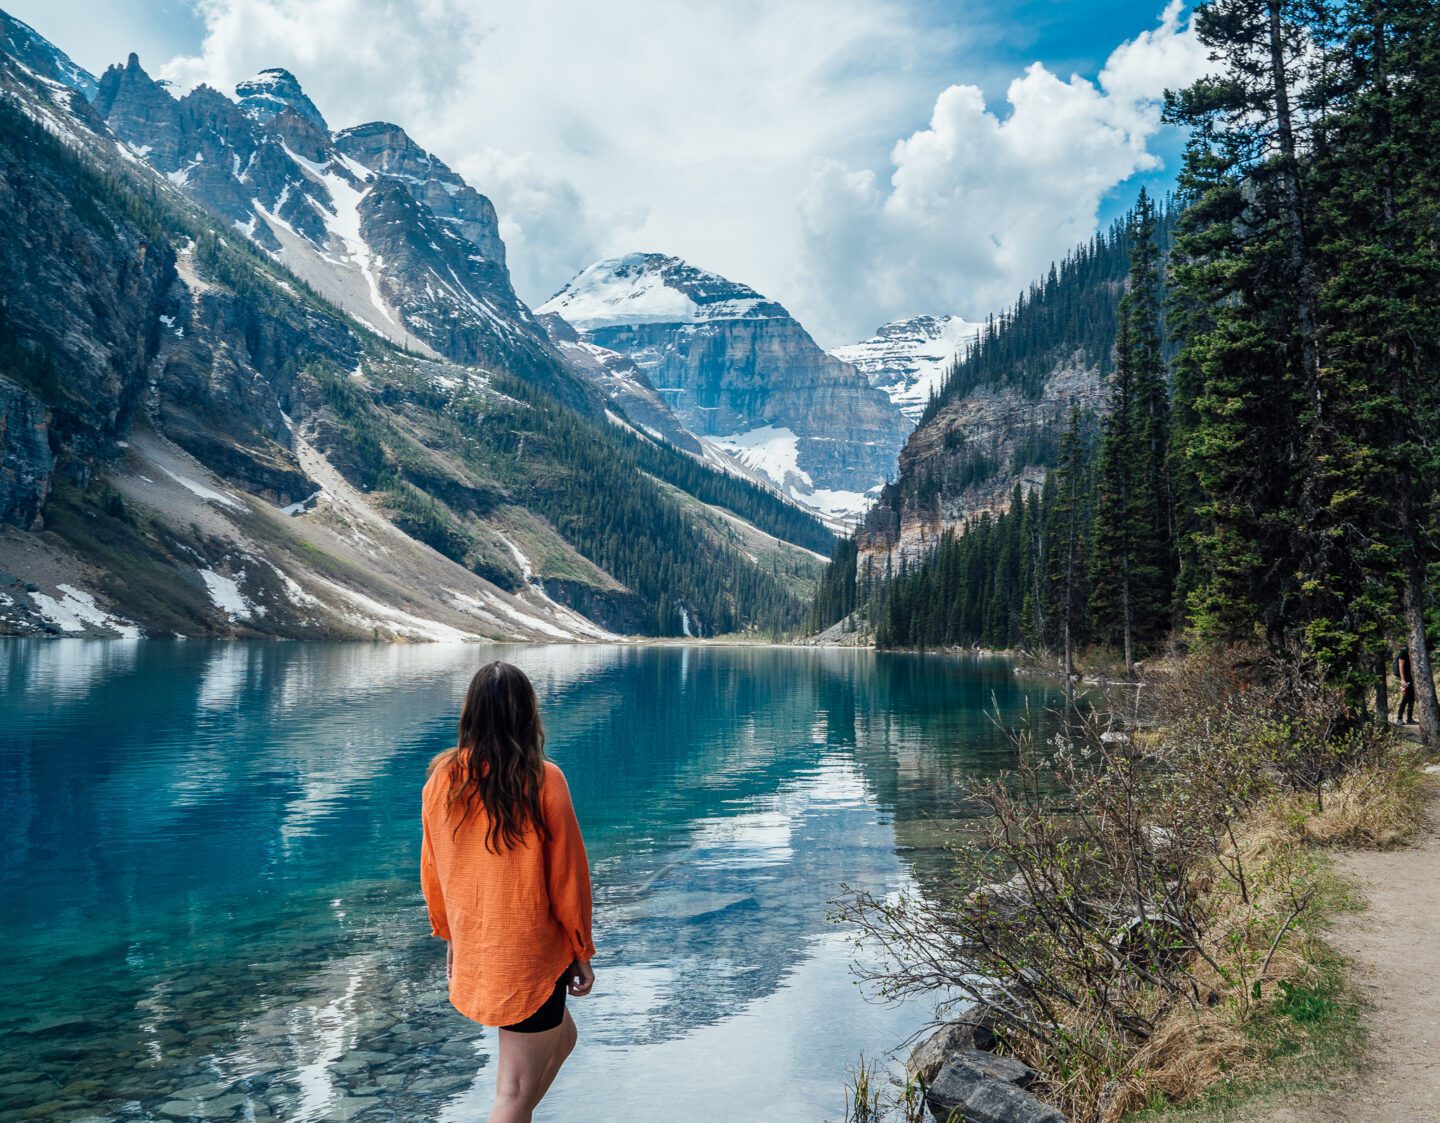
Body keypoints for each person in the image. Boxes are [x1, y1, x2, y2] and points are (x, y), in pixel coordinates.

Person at [422, 661, 596, 1123]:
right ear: (527, 714)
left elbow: (434, 871)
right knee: (514, 1092)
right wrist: (581, 950)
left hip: (483, 945)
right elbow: (569, 879)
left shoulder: (442, 780)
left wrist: (451, 936)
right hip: (530, 953)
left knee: (562, 1039)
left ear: (470, 714)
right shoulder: (544, 780)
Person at [1396, 646, 1417, 725]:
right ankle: (1399, 718)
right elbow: (1400, 665)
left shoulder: (1415, 649)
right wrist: (1402, 679)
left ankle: (1409, 718)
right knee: (1406, 697)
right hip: (1405, 678)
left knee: (1412, 698)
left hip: (1413, 678)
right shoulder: (1404, 651)